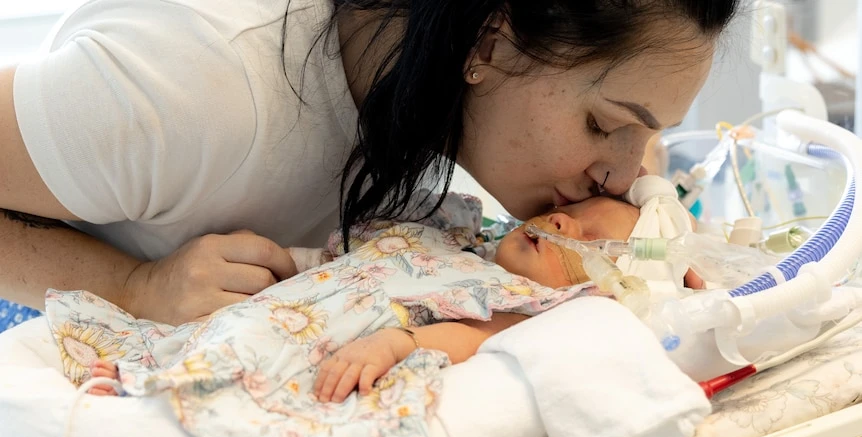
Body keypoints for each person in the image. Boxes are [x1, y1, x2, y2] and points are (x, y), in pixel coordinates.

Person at [0, 0, 739, 331]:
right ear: (489, 44)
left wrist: (649, 254)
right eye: (604, 125)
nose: (619, 172)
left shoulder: (427, 68)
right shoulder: (194, 89)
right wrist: (132, 286)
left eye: (643, 137)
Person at [59, 194, 639, 406]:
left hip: (338, 335)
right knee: (235, 319)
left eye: (590, 239)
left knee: (263, 353)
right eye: (576, 210)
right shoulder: (451, 233)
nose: (565, 220)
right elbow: (351, 258)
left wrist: (397, 342)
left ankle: (159, 387)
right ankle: (151, 361)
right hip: (302, 298)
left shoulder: (523, 299)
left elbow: (476, 335)